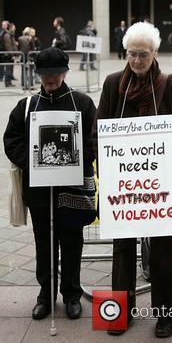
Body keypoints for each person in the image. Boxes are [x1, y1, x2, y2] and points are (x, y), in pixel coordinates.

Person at [95, 22, 172, 337]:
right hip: (123, 186)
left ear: (155, 53)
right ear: (126, 54)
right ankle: (118, 313)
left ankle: (165, 315)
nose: (137, 60)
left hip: (158, 187)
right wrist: (112, 167)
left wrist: (164, 169)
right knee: (122, 249)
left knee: (163, 251)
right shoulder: (112, 85)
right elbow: (100, 129)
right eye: (132, 54)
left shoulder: (171, 86)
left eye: (143, 54)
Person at [3, 47, 96, 321]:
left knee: (71, 241)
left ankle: (71, 295)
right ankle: (45, 295)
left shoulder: (82, 103)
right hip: (40, 191)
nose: (50, 79)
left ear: (65, 72)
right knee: (44, 243)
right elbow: (12, 140)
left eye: (55, 73)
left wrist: (77, 160)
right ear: (38, 74)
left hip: (73, 188)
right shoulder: (27, 105)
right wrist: (33, 162)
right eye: (45, 74)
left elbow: (94, 139)